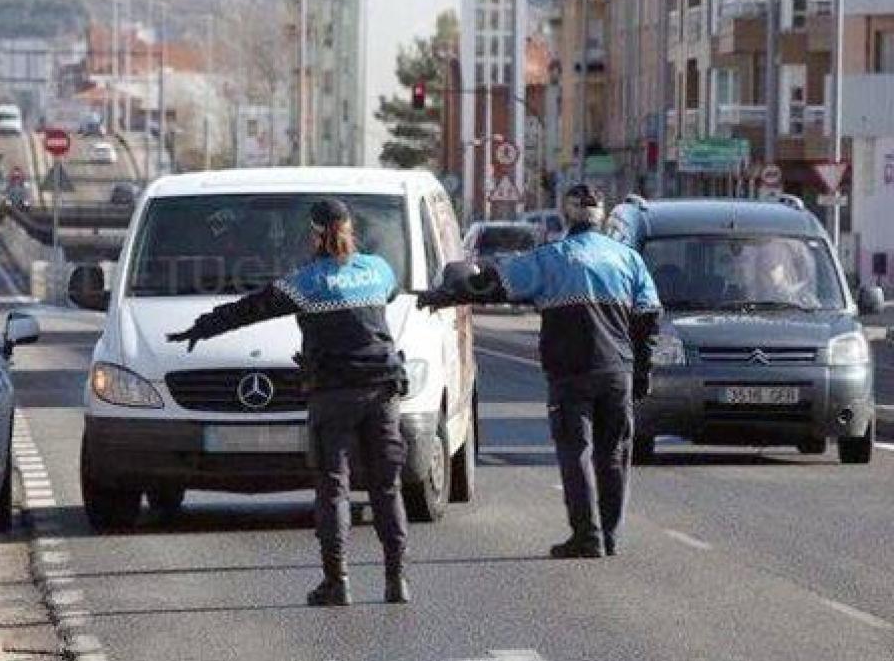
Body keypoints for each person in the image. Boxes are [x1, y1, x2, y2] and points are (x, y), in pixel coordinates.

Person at [166, 200, 411, 607]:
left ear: (314, 234)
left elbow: (252, 309)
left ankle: (337, 582)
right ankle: (396, 581)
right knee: (387, 486)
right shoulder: (378, 268)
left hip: (332, 394)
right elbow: (389, 294)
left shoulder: (307, 282)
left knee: (333, 487)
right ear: (350, 229)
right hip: (382, 390)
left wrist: (202, 328)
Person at [419, 184, 661, 559]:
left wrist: (444, 295)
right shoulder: (628, 259)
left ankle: (587, 535)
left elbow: (493, 285)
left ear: (567, 216)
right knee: (613, 454)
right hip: (617, 372)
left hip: (570, 374)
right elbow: (649, 318)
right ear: (602, 215)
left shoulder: (551, 259)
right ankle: (610, 536)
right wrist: (643, 372)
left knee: (575, 452)